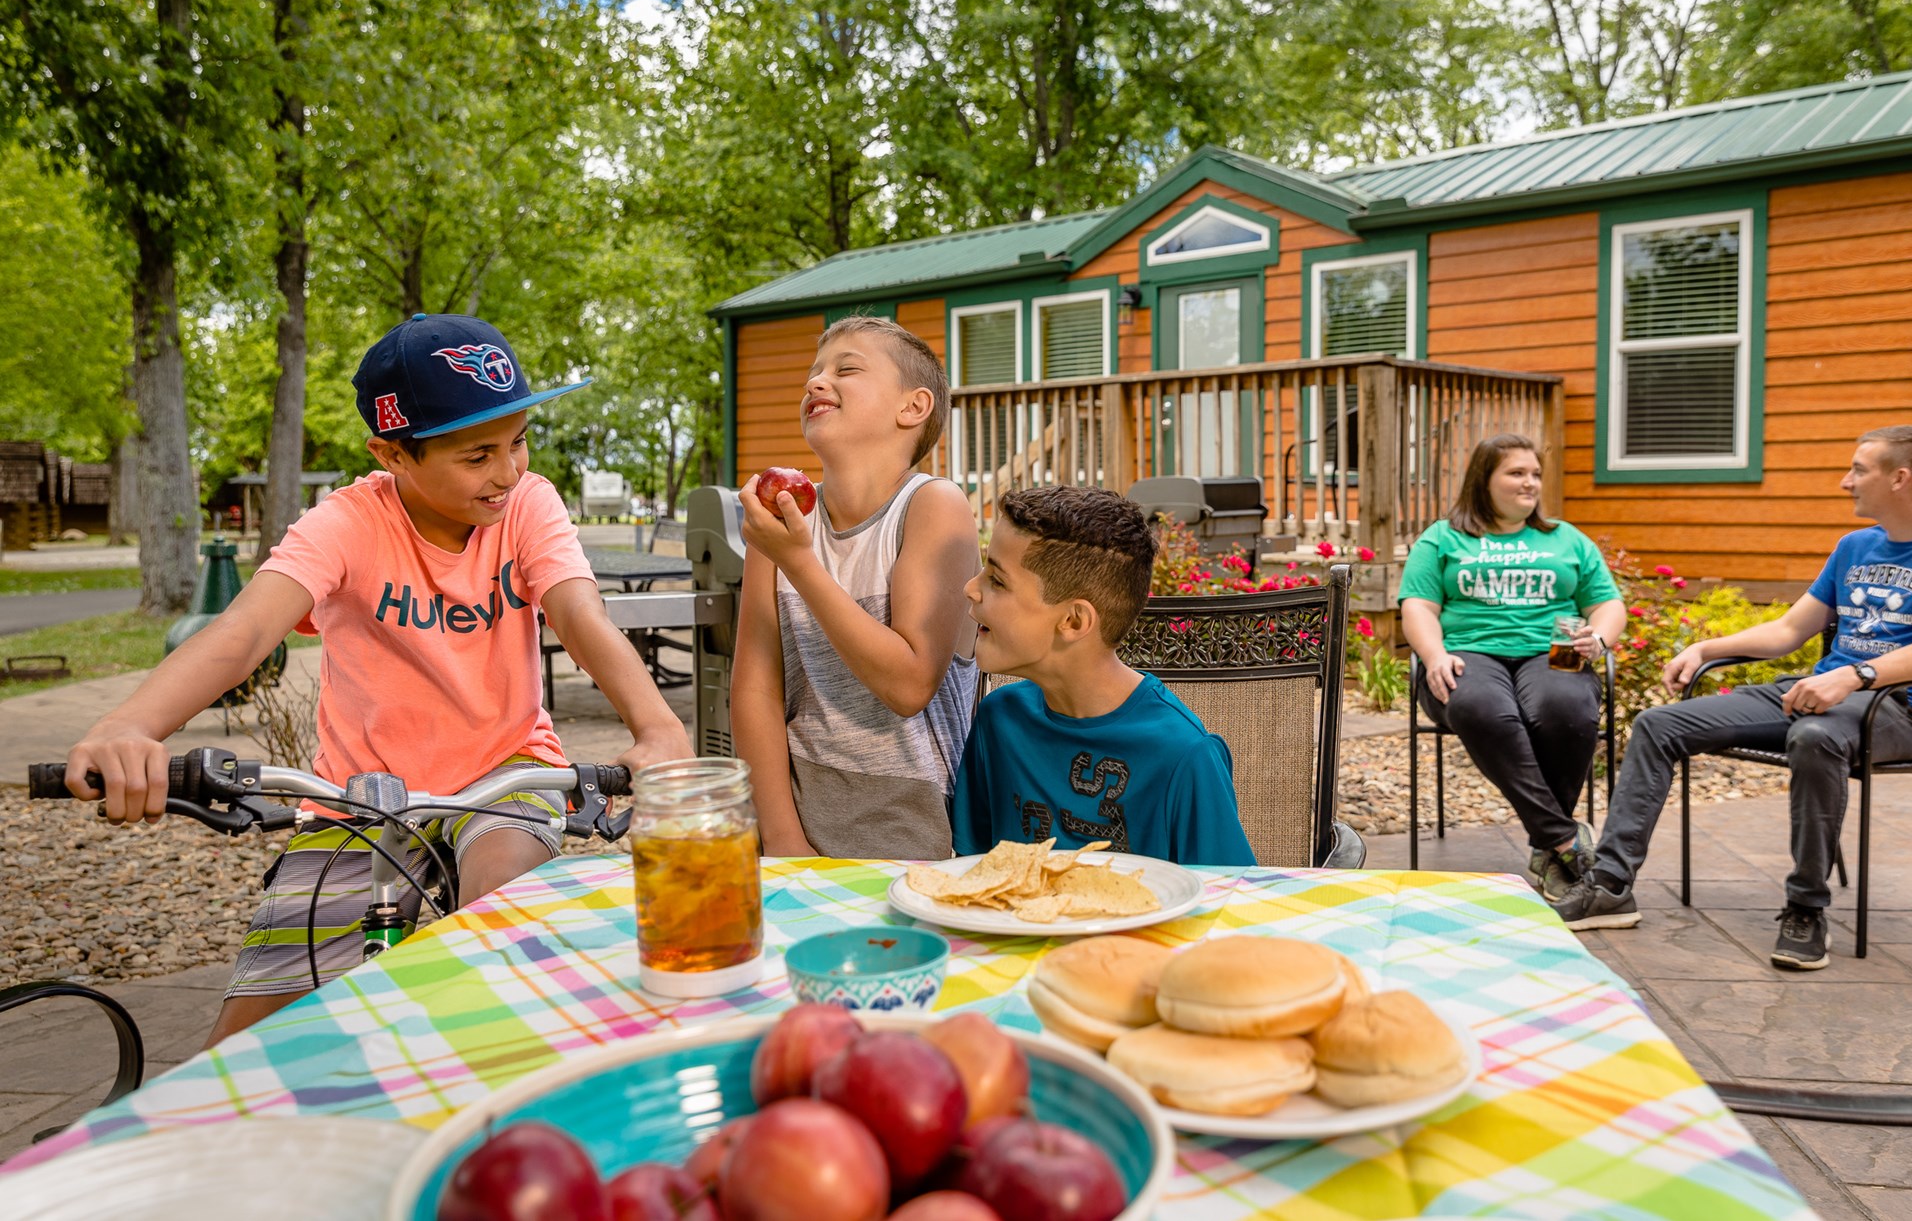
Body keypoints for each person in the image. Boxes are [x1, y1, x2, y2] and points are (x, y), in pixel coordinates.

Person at [63, 313, 693, 1044]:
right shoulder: (347, 522)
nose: (508, 470)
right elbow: (241, 634)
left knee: (498, 912)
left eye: (518, 440)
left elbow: (581, 614)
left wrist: (658, 727)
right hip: (360, 792)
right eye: (477, 453)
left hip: (506, 767)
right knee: (249, 1040)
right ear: (393, 453)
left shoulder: (526, 505)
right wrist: (126, 727)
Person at [1556, 426, 1912, 971]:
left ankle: (1806, 908)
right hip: (1816, 695)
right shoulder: (1854, 546)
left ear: (1901, 478)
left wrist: (1854, 675)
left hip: (1899, 710)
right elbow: (1791, 629)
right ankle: (1610, 883)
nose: (1846, 481)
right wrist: (1705, 646)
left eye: (1859, 469)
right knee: (1657, 724)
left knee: (1813, 737)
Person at [732, 315, 981, 859]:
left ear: (912, 408)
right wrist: (781, 838)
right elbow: (755, 691)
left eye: (846, 370)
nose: (816, 383)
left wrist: (798, 563)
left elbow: (908, 685)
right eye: (814, 373)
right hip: (792, 817)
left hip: (914, 829)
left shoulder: (933, 507)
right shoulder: (781, 523)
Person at [949, 485, 1257, 866]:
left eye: (997, 580)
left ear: (1073, 620)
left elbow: (1229, 896)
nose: (970, 588)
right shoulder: (998, 720)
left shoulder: (1186, 756)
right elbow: (970, 872)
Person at [1398, 433, 1627, 901]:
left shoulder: (1565, 537)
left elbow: (1608, 604)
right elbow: (1418, 606)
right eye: (1516, 473)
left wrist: (1598, 637)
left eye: (1535, 474)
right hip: (1468, 648)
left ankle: (1549, 849)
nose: (1530, 483)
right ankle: (1563, 841)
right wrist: (1435, 655)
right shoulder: (1442, 537)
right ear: (1484, 479)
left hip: (1557, 645)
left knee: (1567, 708)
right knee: (1482, 708)